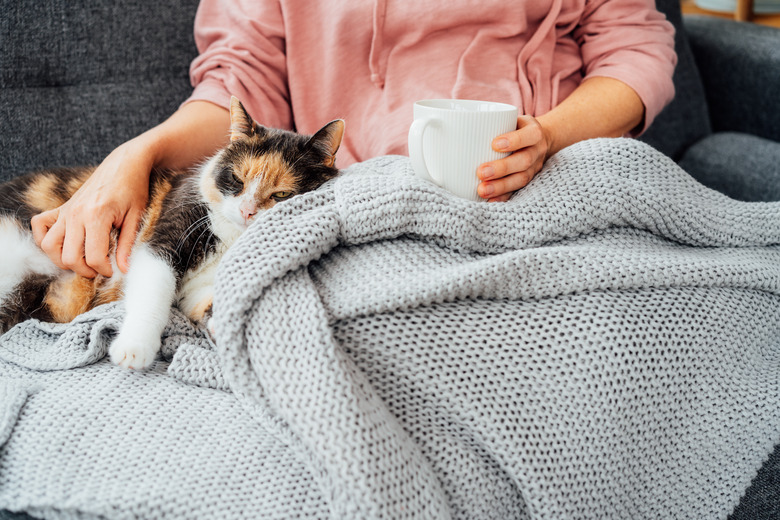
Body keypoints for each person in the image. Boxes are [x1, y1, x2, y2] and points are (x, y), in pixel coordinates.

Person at [31, 0, 676, 280]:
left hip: (548, 176)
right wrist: (133, 155)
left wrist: (548, 136)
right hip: (362, 206)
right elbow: (240, 87)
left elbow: (636, 51)